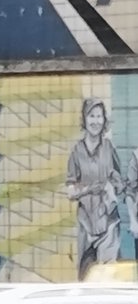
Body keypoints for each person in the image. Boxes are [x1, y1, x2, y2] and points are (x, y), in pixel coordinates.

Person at [66, 98, 123, 277]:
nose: (95, 121)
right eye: (92, 116)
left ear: (104, 120)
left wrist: (112, 187)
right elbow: (70, 191)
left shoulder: (109, 148)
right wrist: (91, 188)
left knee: (107, 276)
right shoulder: (76, 152)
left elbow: (120, 183)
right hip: (86, 224)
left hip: (109, 224)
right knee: (85, 275)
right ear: (84, 119)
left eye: (99, 116)